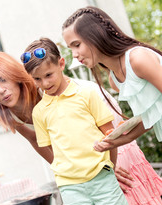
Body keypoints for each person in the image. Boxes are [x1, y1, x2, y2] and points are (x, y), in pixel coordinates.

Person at [22, 37, 141, 205]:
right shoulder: (40, 112)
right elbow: (52, 150)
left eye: (49, 75)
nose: (45, 84)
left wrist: (110, 167)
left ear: (61, 63)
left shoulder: (86, 93)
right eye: (37, 80)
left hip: (102, 177)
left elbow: (109, 135)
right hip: (71, 187)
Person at [64, 79, 162, 205]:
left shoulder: (81, 91)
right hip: (114, 151)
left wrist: (107, 164)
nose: (75, 55)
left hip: (108, 153)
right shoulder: (90, 84)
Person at [61, 6, 162, 152]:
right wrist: (114, 141)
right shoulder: (114, 81)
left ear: (97, 35)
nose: (74, 54)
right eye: (71, 48)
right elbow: (149, 118)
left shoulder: (138, 59)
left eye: (77, 45)